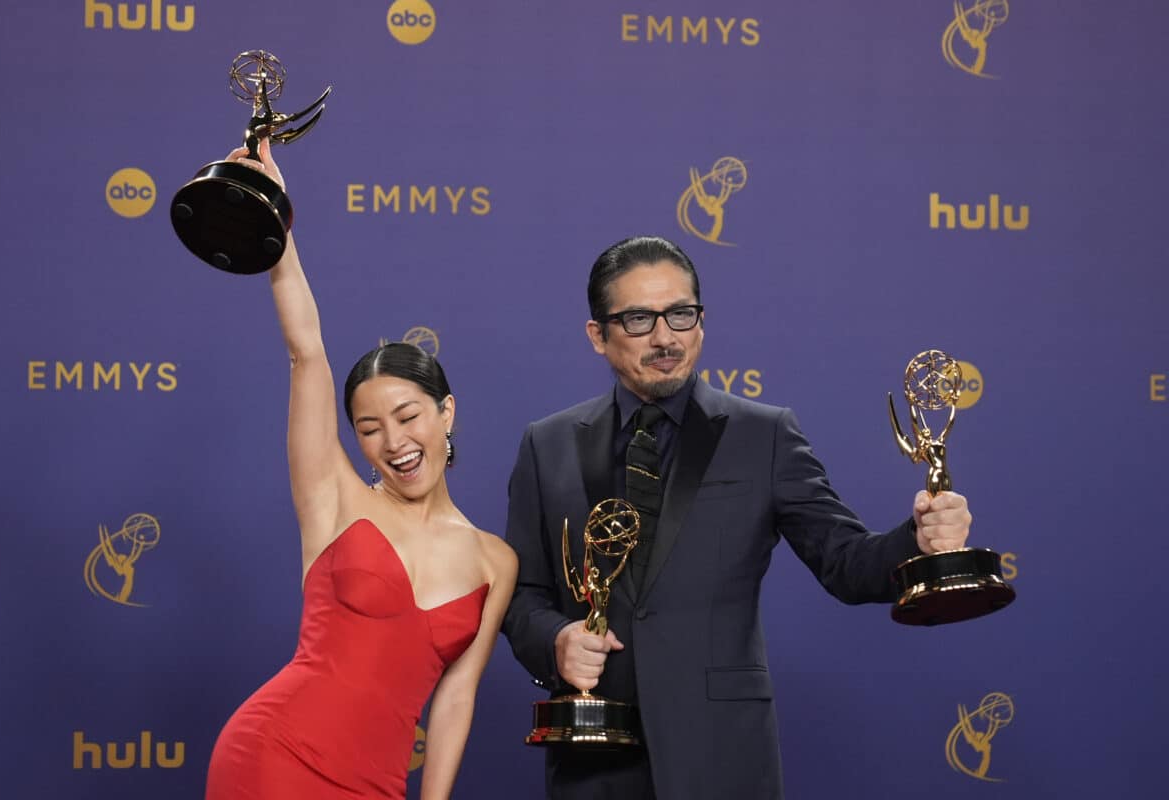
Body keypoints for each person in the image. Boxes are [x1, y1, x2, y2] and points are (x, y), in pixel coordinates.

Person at [501, 235, 972, 800]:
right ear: (597, 336)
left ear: (701, 323)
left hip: (722, 756)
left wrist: (918, 540)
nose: (663, 337)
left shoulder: (765, 434)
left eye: (680, 314)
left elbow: (847, 565)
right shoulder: (546, 444)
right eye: (637, 319)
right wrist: (555, 639)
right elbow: (522, 595)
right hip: (594, 759)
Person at [204, 140, 517, 800]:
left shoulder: (495, 561)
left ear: (447, 413)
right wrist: (275, 223)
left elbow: (455, 699)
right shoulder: (334, 498)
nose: (394, 441)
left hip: (375, 783)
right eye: (369, 429)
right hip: (274, 756)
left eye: (408, 417)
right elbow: (306, 351)